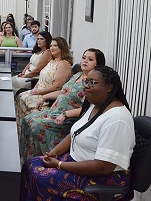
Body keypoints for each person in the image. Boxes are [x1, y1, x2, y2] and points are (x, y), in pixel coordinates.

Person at [21, 66, 135, 201]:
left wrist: (59, 165)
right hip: (78, 163)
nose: (86, 86)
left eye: (92, 82)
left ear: (109, 87)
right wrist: (55, 152)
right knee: (30, 164)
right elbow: (76, 134)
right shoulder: (95, 106)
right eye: (85, 82)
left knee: (39, 177)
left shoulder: (118, 119)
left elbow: (103, 167)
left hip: (101, 179)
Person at [20, 49, 106, 162]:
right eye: (84, 57)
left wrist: (66, 114)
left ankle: (43, 159)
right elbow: (63, 92)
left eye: (90, 59)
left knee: (35, 126)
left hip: (67, 118)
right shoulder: (77, 75)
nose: (85, 61)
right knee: (27, 120)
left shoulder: (92, 83)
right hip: (54, 111)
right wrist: (44, 97)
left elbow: (90, 109)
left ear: (97, 64)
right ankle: (26, 160)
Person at [15, 37, 73, 137]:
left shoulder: (63, 64)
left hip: (48, 96)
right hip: (39, 91)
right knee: (19, 96)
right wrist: (35, 89)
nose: (52, 48)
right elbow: (41, 78)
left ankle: (27, 134)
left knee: (24, 99)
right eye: (51, 45)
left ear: (62, 48)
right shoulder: (51, 61)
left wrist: (39, 92)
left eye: (55, 45)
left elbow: (57, 87)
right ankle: (20, 133)